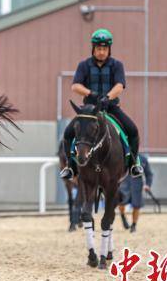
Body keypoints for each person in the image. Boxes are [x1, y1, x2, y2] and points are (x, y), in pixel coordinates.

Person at [60, 28, 143, 180]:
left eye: (104, 48)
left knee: (132, 130)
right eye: (99, 48)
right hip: (89, 111)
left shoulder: (117, 65)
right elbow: (75, 86)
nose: (101, 52)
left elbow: (120, 85)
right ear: (93, 48)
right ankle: (70, 167)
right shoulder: (84, 65)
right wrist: (91, 94)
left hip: (111, 108)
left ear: (109, 49)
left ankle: (133, 163)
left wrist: (108, 97)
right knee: (67, 134)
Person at [119, 154, 153, 232]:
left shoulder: (143, 159)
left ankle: (134, 225)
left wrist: (148, 185)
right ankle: (123, 215)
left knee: (136, 206)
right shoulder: (123, 156)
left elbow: (149, 174)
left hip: (137, 185)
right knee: (121, 203)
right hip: (124, 183)